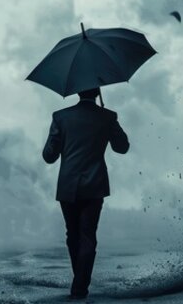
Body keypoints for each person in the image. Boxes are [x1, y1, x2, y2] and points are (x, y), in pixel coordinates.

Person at [42, 87, 129, 299]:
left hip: (68, 185)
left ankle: (79, 281)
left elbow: (49, 156)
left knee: (73, 235)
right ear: (97, 92)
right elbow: (122, 147)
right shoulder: (107, 116)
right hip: (94, 185)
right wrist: (108, 122)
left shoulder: (61, 117)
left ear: (77, 91)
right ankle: (80, 286)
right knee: (88, 235)